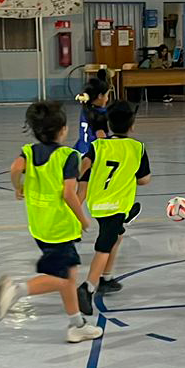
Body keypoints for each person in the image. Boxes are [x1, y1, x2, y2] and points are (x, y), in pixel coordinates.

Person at [0, 100, 103, 343]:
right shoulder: (68, 156)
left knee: (69, 278)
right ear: (63, 129)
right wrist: (83, 219)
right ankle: (17, 290)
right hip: (60, 227)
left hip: (39, 226)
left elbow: (14, 168)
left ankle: (77, 324)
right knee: (64, 278)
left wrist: (17, 187)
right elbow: (68, 194)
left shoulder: (28, 152)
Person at [75, 101, 151, 315]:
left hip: (97, 203)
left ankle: (106, 278)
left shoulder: (98, 145)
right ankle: (88, 287)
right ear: (132, 126)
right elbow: (144, 180)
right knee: (104, 245)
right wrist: (126, 176)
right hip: (116, 205)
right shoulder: (137, 148)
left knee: (117, 237)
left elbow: (84, 165)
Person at [75, 75, 110, 155]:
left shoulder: (86, 109)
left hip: (81, 149)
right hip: (92, 153)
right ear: (100, 96)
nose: (107, 99)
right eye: (106, 96)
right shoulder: (99, 115)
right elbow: (101, 138)